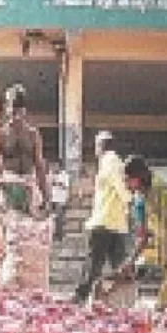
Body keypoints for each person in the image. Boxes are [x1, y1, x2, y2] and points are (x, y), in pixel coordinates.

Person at [73, 130, 131, 304]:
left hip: (104, 221)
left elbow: (119, 186)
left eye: (96, 146)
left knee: (94, 262)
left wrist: (129, 200)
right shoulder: (116, 162)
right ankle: (123, 298)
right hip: (116, 223)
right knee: (117, 264)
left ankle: (81, 296)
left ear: (101, 146)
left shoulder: (109, 162)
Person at [0, 84, 49, 215]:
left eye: (18, 109)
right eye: (12, 109)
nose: (16, 114)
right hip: (8, 187)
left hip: (28, 187)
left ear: (24, 110)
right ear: (6, 109)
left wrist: (46, 195)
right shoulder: (1, 134)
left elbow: (39, 165)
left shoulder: (32, 134)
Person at [49, 164, 71, 240]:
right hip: (53, 198)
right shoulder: (51, 174)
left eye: (55, 166)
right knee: (54, 217)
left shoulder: (64, 175)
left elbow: (65, 186)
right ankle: (56, 233)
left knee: (60, 217)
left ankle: (60, 234)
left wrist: (57, 183)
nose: (54, 168)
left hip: (61, 199)